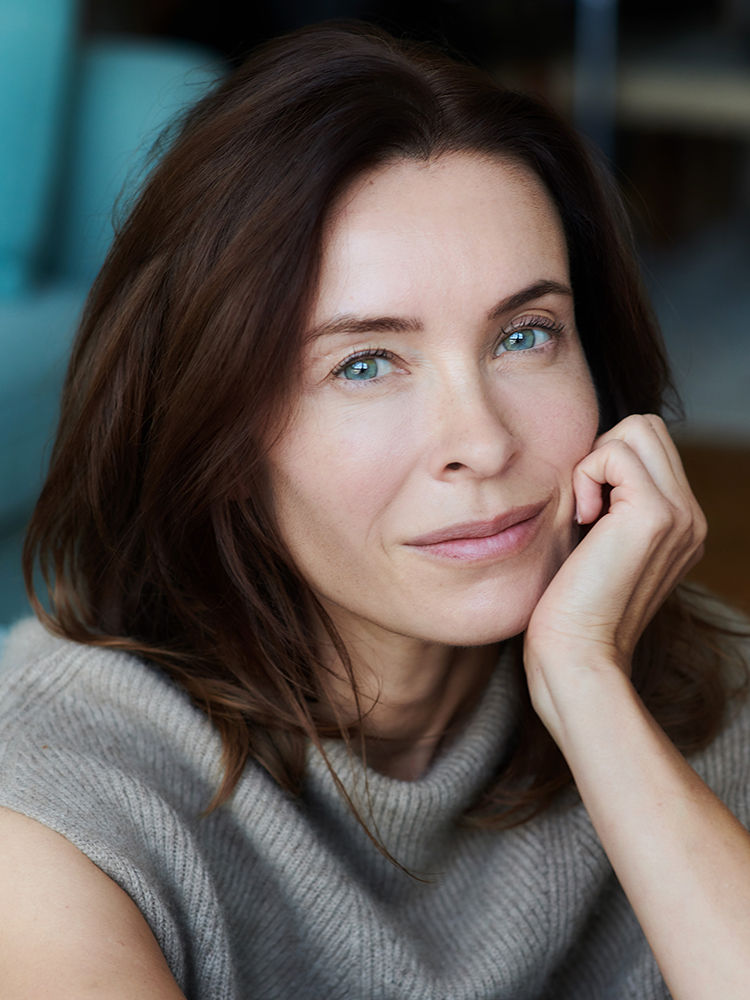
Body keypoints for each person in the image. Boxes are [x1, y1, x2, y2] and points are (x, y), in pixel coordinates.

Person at [0, 20, 749, 1000]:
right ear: (219, 431)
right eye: (364, 364)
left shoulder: (702, 693)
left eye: (526, 335)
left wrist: (588, 690)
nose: (482, 441)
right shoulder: (57, 785)